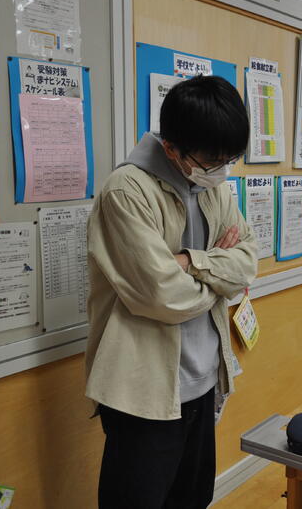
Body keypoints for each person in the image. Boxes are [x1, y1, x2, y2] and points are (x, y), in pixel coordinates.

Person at [85, 75, 258, 509]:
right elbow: (163, 297)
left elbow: (247, 261)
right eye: (212, 160)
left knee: (193, 499)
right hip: (143, 391)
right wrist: (217, 280)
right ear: (171, 148)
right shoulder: (126, 191)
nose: (221, 169)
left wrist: (189, 262)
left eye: (230, 159)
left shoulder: (214, 185)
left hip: (204, 381)